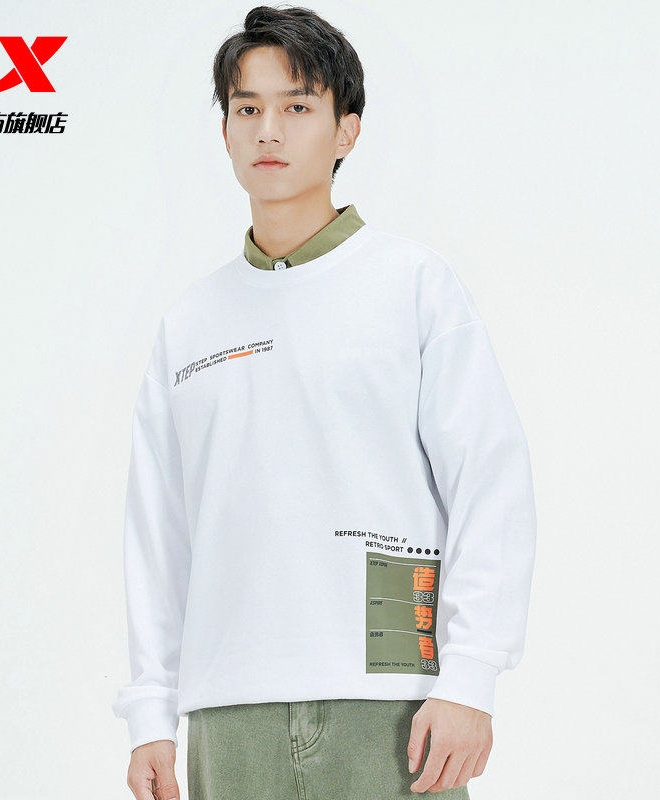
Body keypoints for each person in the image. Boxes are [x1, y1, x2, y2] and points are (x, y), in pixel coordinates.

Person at [112, 6, 537, 799]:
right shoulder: (189, 323)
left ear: (347, 130)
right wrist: (150, 712)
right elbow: (158, 534)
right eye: (247, 109)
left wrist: (472, 675)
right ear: (226, 132)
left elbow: (489, 478)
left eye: (298, 106)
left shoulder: (412, 285)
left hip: (394, 705)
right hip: (228, 711)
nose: (268, 130)